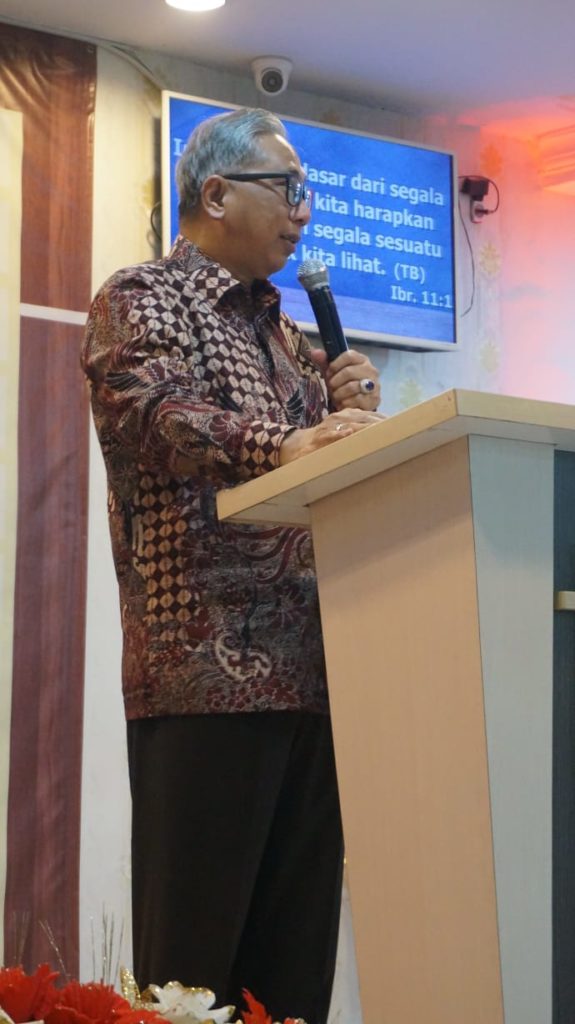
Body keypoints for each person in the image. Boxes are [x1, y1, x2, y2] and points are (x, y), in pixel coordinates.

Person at [82, 107, 382, 1024]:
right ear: (215, 194)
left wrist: (358, 419)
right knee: (193, 975)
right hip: (202, 679)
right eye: (287, 189)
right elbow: (157, 415)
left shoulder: (292, 341)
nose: (304, 212)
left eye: (307, 193)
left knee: (289, 980)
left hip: (316, 679)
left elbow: (328, 478)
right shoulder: (144, 297)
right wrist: (286, 444)